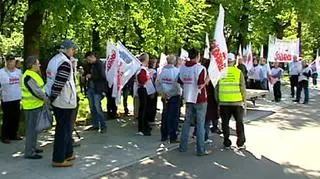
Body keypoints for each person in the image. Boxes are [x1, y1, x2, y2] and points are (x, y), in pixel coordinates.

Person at [45, 39, 78, 167]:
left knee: (65, 128)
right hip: (64, 100)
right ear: (65, 49)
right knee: (63, 130)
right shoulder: (64, 63)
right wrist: (53, 98)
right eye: (72, 49)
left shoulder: (54, 60)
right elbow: (59, 83)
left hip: (60, 100)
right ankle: (58, 159)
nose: (74, 51)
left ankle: (68, 153)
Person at [179, 48, 211, 156]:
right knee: (200, 124)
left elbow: (180, 81)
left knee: (187, 122)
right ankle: (200, 149)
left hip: (188, 97)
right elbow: (200, 85)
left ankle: (182, 146)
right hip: (199, 98)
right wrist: (208, 79)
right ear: (197, 56)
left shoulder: (182, 68)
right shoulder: (200, 68)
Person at [217, 53, 246, 149]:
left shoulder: (220, 72)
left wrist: (218, 100)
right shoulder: (238, 72)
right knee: (239, 122)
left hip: (224, 102)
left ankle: (226, 142)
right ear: (234, 61)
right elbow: (242, 88)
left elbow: (216, 88)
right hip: (237, 102)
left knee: (225, 123)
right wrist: (244, 101)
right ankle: (240, 142)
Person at [22, 56, 48, 159]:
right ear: (32, 65)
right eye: (37, 63)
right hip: (31, 107)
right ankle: (29, 152)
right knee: (31, 130)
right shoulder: (28, 76)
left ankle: (32, 147)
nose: (39, 65)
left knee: (34, 129)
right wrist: (46, 98)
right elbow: (37, 92)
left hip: (36, 105)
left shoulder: (33, 74)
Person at [157, 55, 181, 143]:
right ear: (174, 62)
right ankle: (173, 136)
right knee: (173, 116)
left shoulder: (161, 71)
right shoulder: (176, 71)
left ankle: (164, 135)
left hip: (164, 95)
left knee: (165, 115)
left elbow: (158, 83)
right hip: (174, 95)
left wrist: (162, 93)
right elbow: (177, 85)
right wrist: (172, 93)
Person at [0, 56, 22, 144]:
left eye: (12, 62)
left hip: (16, 97)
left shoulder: (18, 72)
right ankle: (5, 136)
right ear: (6, 62)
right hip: (6, 98)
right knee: (7, 118)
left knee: (16, 117)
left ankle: (14, 134)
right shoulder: (1, 72)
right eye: (8, 62)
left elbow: (21, 83)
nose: (10, 64)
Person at [85, 52, 107, 133]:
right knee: (92, 107)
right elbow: (86, 73)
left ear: (92, 57)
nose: (88, 61)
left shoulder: (99, 64)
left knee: (98, 107)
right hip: (90, 88)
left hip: (98, 89)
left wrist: (92, 76)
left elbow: (103, 76)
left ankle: (103, 125)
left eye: (89, 59)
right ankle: (95, 125)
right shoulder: (89, 65)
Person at [136, 53, 156, 136]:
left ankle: (145, 125)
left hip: (145, 89)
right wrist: (148, 77)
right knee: (143, 109)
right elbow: (142, 80)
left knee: (144, 108)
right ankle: (142, 128)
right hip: (143, 89)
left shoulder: (143, 69)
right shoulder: (142, 69)